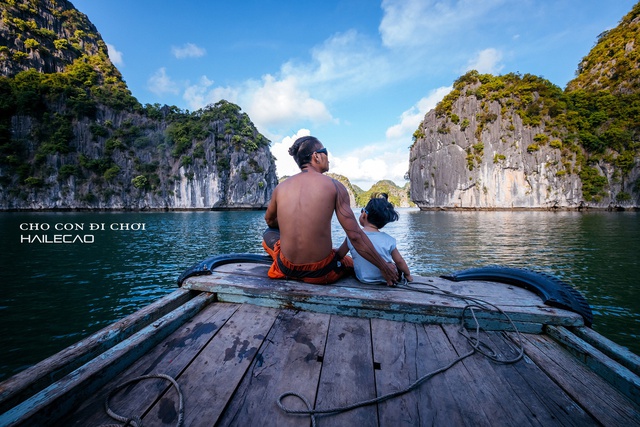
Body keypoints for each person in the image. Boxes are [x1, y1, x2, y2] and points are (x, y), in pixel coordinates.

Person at [262, 136, 399, 286]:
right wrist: (384, 267)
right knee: (347, 261)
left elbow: (269, 221)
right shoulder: (335, 186)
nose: (328, 157)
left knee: (268, 234)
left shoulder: (280, 187)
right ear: (317, 156)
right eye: (325, 152)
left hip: (286, 268)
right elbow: (354, 236)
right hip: (319, 272)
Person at [337, 193, 412, 284]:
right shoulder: (389, 240)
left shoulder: (352, 237)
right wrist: (407, 274)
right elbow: (399, 261)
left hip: (363, 279)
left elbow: (339, 254)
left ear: (364, 214)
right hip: (386, 279)